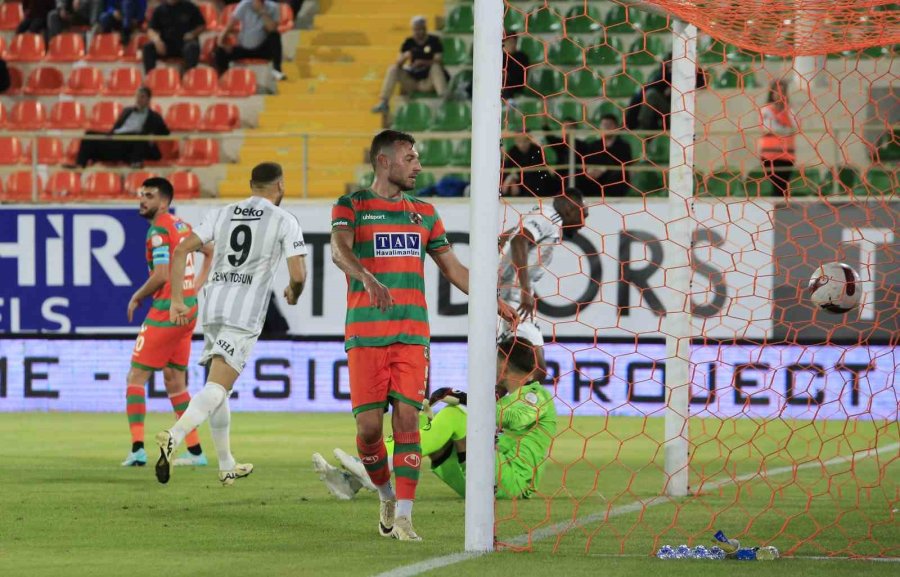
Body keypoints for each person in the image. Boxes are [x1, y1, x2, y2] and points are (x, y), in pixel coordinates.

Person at [330, 129, 516, 541]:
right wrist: (366, 277)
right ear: (384, 161)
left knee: (409, 419)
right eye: (410, 158)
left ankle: (406, 517)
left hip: (413, 334)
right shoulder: (352, 205)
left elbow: (453, 268)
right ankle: (385, 494)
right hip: (364, 335)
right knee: (368, 431)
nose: (418, 165)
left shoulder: (425, 212)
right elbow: (338, 249)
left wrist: (491, 299)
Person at [155, 162, 308, 486]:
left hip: (213, 307)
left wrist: (178, 300)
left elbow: (182, 249)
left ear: (251, 184)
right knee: (217, 387)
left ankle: (226, 464)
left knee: (219, 386)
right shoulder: (284, 220)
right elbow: (298, 275)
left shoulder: (222, 212)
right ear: (279, 186)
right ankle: (175, 435)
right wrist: (293, 293)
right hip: (243, 313)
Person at [313, 337, 556, 502]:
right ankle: (352, 483)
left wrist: (460, 398)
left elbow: (511, 419)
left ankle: (373, 464)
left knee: (453, 416)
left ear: (504, 363)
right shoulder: (506, 396)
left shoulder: (537, 396)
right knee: (427, 425)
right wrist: (455, 398)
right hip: (482, 479)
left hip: (513, 484)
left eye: (495, 359)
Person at [122, 177, 213, 468]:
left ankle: (137, 449)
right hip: (188, 310)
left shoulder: (159, 230)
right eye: (141, 194)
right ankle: (196, 452)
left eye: (148, 195)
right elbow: (210, 252)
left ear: (164, 202)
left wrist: (137, 296)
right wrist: (195, 287)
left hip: (166, 311)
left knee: (135, 377)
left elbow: (161, 274)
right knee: (175, 381)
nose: (142, 200)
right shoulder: (181, 225)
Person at [65, 87, 170, 169]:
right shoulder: (127, 111)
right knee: (89, 134)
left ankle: (135, 163)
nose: (139, 99)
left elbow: (166, 132)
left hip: (133, 144)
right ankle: (80, 165)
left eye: (142, 97)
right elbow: (117, 128)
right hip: (117, 139)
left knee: (139, 136)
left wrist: (152, 135)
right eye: (137, 96)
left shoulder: (154, 116)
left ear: (148, 99)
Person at [371, 16, 447, 114]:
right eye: (415, 29)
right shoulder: (408, 42)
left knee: (436, 67)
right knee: (393, 69)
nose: (418, 32)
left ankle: (445, 99)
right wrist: (406, 56)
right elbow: (398, 63)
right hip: (412, 81)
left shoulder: (434, 41)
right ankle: (384, 102)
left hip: (427, 81)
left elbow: (439, 61)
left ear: (425, 29)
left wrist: (423, 62)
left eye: (420, 29)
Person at [214, 0, 285, 80]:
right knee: (220, 51)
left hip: (262, 49)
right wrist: (221, 42)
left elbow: (272, 29)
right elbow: (230, 24)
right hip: (243, 47)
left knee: (275, 36)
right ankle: (224, 79)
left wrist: (261, 11)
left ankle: (277, 70)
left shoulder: (273, 7)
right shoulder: (245, 4)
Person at [576, 114, 633, 197]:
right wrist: (589, 170)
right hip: (595, 176)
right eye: (604, 125)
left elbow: (624, 163)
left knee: (618, 175)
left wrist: (603, 169)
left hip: (612, 177)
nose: (607, 128)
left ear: (616, 128)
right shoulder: (594, 145)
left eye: (610, 125)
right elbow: (587, 161)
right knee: (579, 175)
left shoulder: (624, 146)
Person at [142, 0, 205, 73]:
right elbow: (151, 30)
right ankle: (150, 77)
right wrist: (157, 41)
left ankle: (189, 76)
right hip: (166, 46)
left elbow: (201, 25)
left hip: (184, 43)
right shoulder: (159, 10)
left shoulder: (190, 7)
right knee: (148, 48)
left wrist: (192, 34)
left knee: (192, 47)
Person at [758, 79, 798, 196]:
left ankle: (781, 212)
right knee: (777, 188)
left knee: (783, 188)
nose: (780, 94)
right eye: (777, 91)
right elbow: (771, 128)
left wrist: (784, 126)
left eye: (783, 91)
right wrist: (785, 129)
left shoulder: (790, 110)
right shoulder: (766, 110)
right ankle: (776, 212)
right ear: (772, 93)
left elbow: (796, 126)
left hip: (787, 155)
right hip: (770, 156)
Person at [501, 133, 562, 198]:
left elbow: (538, 167)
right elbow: (508, 167)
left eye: (525, 141)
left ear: (529, 141)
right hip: (520, 178)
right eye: (519, 142)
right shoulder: (513, 151)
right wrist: (512, 180)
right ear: (515, 142)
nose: (522, 144)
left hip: (537, 177)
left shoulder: (537, 150)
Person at [502, 33, 529, 101]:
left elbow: (518, 77)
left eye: (515, 42)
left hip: (514, 87)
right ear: (503, 43)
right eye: (510, 42)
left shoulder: (521, 57)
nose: (513, 45)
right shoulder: (498, 56)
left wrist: (505, 75)